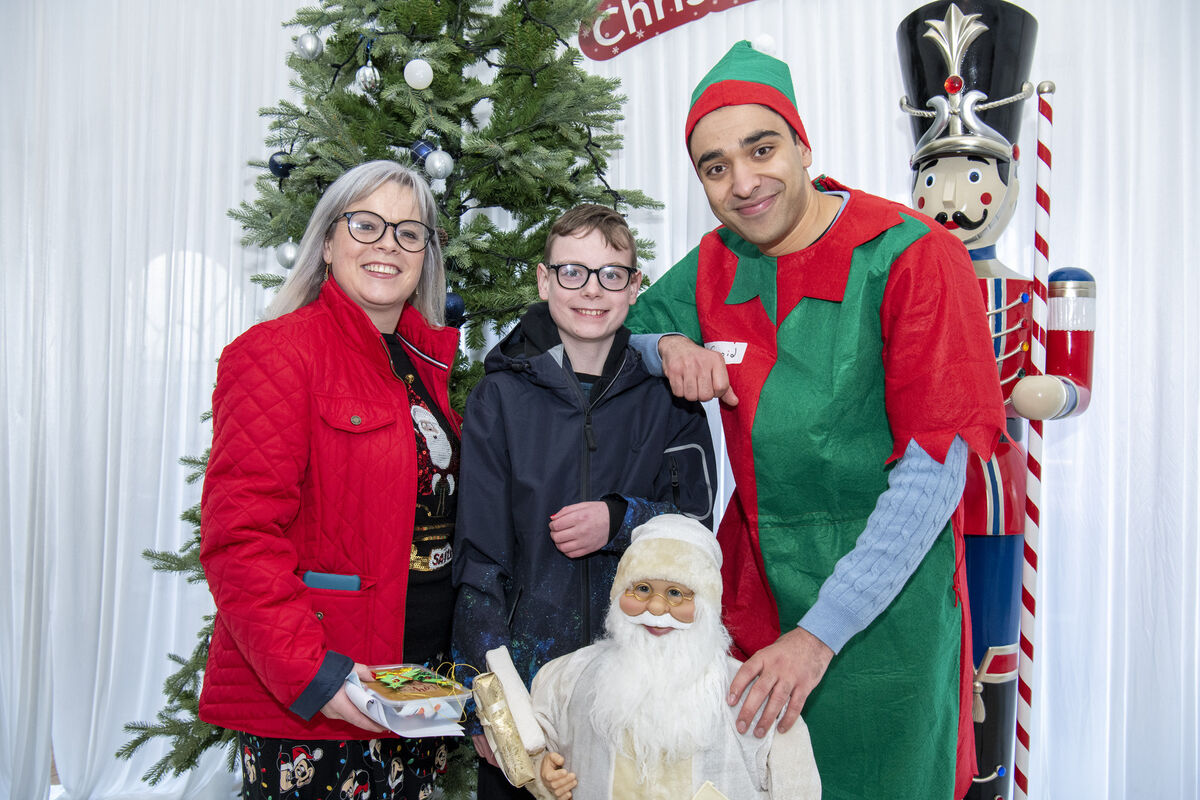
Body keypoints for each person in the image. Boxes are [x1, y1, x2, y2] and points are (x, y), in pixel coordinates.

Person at [624, 41, 1007, 798]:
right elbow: (630, 324)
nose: (743, 182)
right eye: (715, 166)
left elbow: (932, 481)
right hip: (757, 596)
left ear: (804, 146)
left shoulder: (913, 257)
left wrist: (820, 635)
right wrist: (667, 343)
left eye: (761, 149)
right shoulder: (715, 262)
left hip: (882, 619)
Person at [199, 160, 461, 800]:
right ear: (327, 241)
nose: (386, 245)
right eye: (366, 225)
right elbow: (240, 540)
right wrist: (319, 675)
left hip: (414, 691)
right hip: (327, 696)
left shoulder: (423, 363)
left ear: (425, 255)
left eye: (408, 232)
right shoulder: (275, 354)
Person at [451, 204, 717, 799]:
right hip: (532, 684)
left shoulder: (670, 398)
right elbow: (477, 564)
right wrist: (490, 707)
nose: (591, 291)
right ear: (545, 281)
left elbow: (697, 526)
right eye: (572, 272)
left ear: (633, 287)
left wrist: (620, 521)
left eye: (610, 274)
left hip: (642, 688)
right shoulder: (498, 399)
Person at [529, 514, 821, 800]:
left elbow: (797, 785)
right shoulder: (569, 677)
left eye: (676, 593)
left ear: (707, 606)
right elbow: (529, 745)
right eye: (642, 589)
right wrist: (541, 775)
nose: (656, 607)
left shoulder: (753, 694)